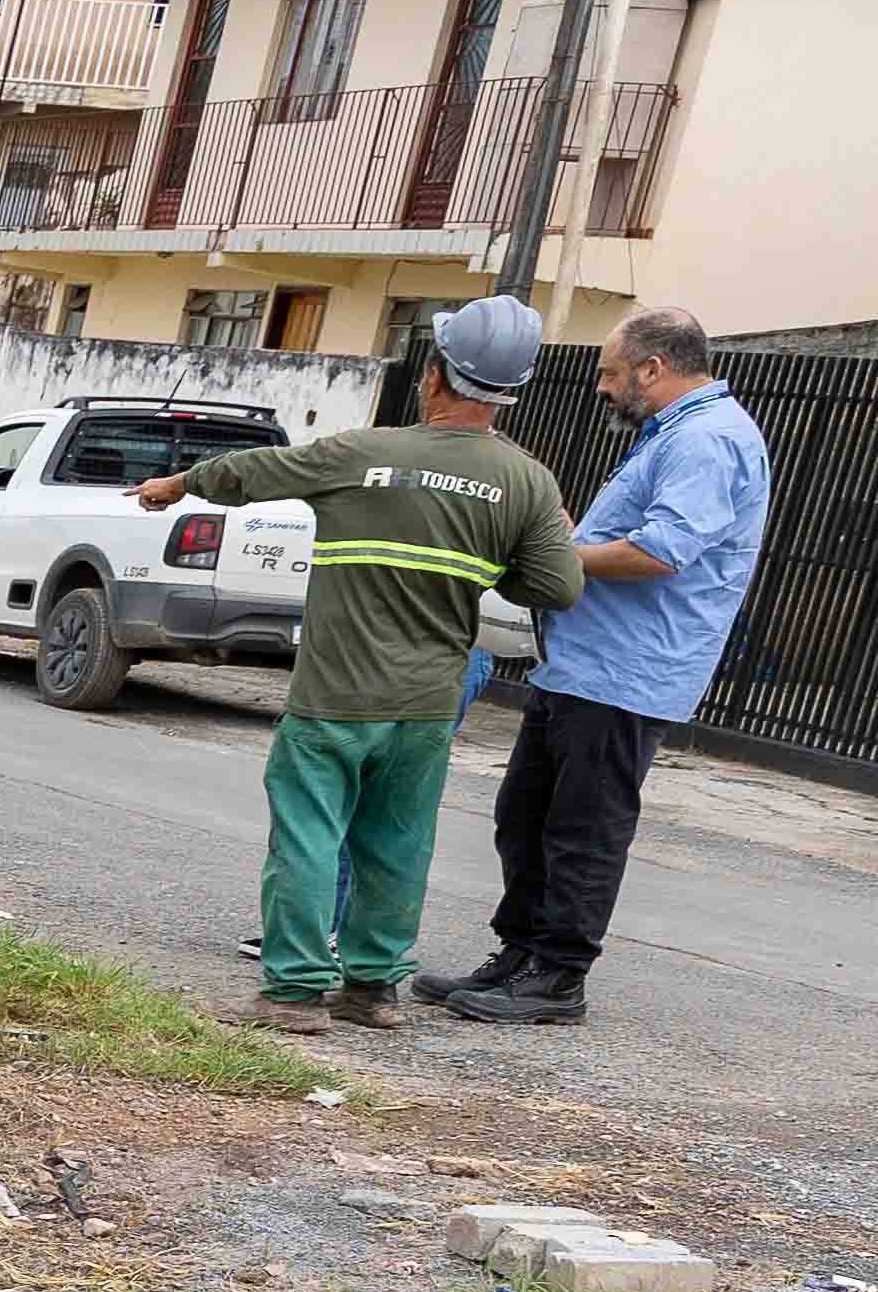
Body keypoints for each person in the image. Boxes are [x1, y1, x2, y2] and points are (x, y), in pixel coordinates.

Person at [135, 293, 584, 1033]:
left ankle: (295, 993)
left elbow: (255, 471)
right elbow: (556, 587)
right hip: (427, 704)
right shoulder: (526, 482)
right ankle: (373, 991)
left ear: (434, 375)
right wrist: (493, 558)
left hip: (335, 697)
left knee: (310, 836)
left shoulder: (364, 453)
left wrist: (174, 485)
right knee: (397, 845)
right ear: (509, 389)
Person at [425, 305, 769, 1025]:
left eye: (611, 373)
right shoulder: (670, 435)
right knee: (523, 815)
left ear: (653, 367)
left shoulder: (708, 439)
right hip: (582, 664)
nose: (602, 388)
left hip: (628, 672)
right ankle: (520, 953)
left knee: (583, 827)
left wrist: (553, 559)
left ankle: (559, 976)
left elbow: (659, 552)